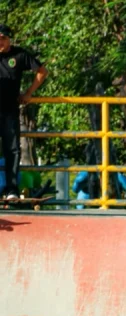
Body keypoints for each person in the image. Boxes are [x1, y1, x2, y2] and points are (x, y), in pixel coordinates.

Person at [0, 24, 48, 199]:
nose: (0, 42)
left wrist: (29, 92)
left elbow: (42, 72)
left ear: (9, 39)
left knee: (12, 150)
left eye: (3, 38)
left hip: (9, 111)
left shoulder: (19, 54)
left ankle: (11, 189)